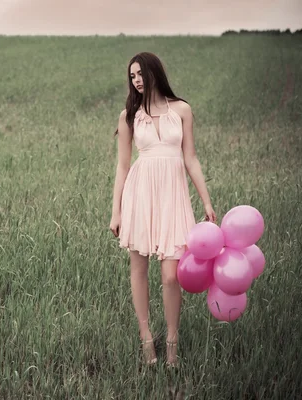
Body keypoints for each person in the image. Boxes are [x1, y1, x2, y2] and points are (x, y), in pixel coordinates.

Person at [109, 52, 217, 367]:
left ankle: (172, 342)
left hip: (173, 196)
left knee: (171, 276)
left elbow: (191, 158)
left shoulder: (182, 110)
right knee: (138, 269)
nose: (137, 80)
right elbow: (122, 166)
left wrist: (207, 200)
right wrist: (116, 210)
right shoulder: (128, 115)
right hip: (139, 194)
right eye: (132, 76)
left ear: (155, 72)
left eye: (141, 73)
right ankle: (146, 341)